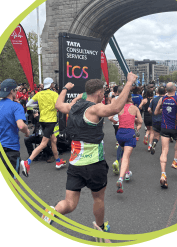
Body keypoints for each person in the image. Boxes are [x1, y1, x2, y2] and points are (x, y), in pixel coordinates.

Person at [42, 73, 138, 231]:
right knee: (98, 198)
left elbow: (59, 105)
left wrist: (65, 88)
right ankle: (100, 227)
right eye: (103, 93)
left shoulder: (73, 107)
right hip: (94, 164)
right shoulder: (95, 108)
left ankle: (52, 212)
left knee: (70, 203)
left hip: (75, 164)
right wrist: (128, 83)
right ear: (99, 93)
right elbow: (115, 108)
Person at [21, 77, 66, 176]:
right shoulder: (54, 94)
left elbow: (28, 104)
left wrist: (39, 106)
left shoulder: (39, 93)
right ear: (51, 85)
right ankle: (27, 162)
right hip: (51, 121)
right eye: (52, 84)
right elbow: (58, 105)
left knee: (53, 140)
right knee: (44, 144)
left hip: (42, 121)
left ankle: (58, 161)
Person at [0, 79, 30, 184]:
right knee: (14, 181)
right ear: (12, 91)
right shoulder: (16, 106)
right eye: (16, 90)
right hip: (10, 149)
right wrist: (27, 131)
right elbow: (20, 125)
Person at [154, 82, 177, 188]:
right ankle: (175, 161)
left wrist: (163, 111)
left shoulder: (162, 99)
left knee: (164, 151)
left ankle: (163, 174)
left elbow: (155, 112)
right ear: (174, 88)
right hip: (176, 127)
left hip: (165, 128)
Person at [116, 92, 143, 193]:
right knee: (126, 157)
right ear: (130, 98)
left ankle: (127, 173)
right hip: (129, 133)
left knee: (124, 156)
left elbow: (110, 118)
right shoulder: (135, 108)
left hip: (120, 133)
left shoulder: (119, 107)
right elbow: (140, 121)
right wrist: (137, 127)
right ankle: (120, 179)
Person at [148, 86, 165, 154]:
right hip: (164, 120)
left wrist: (152, 114)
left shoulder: (154, 99)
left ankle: (154, 143)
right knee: (164, 137)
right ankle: (163, 152)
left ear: (157, 92)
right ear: (165, 92)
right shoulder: (166, 99)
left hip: (155, 120)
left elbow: (149, 109)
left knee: (156, 135)